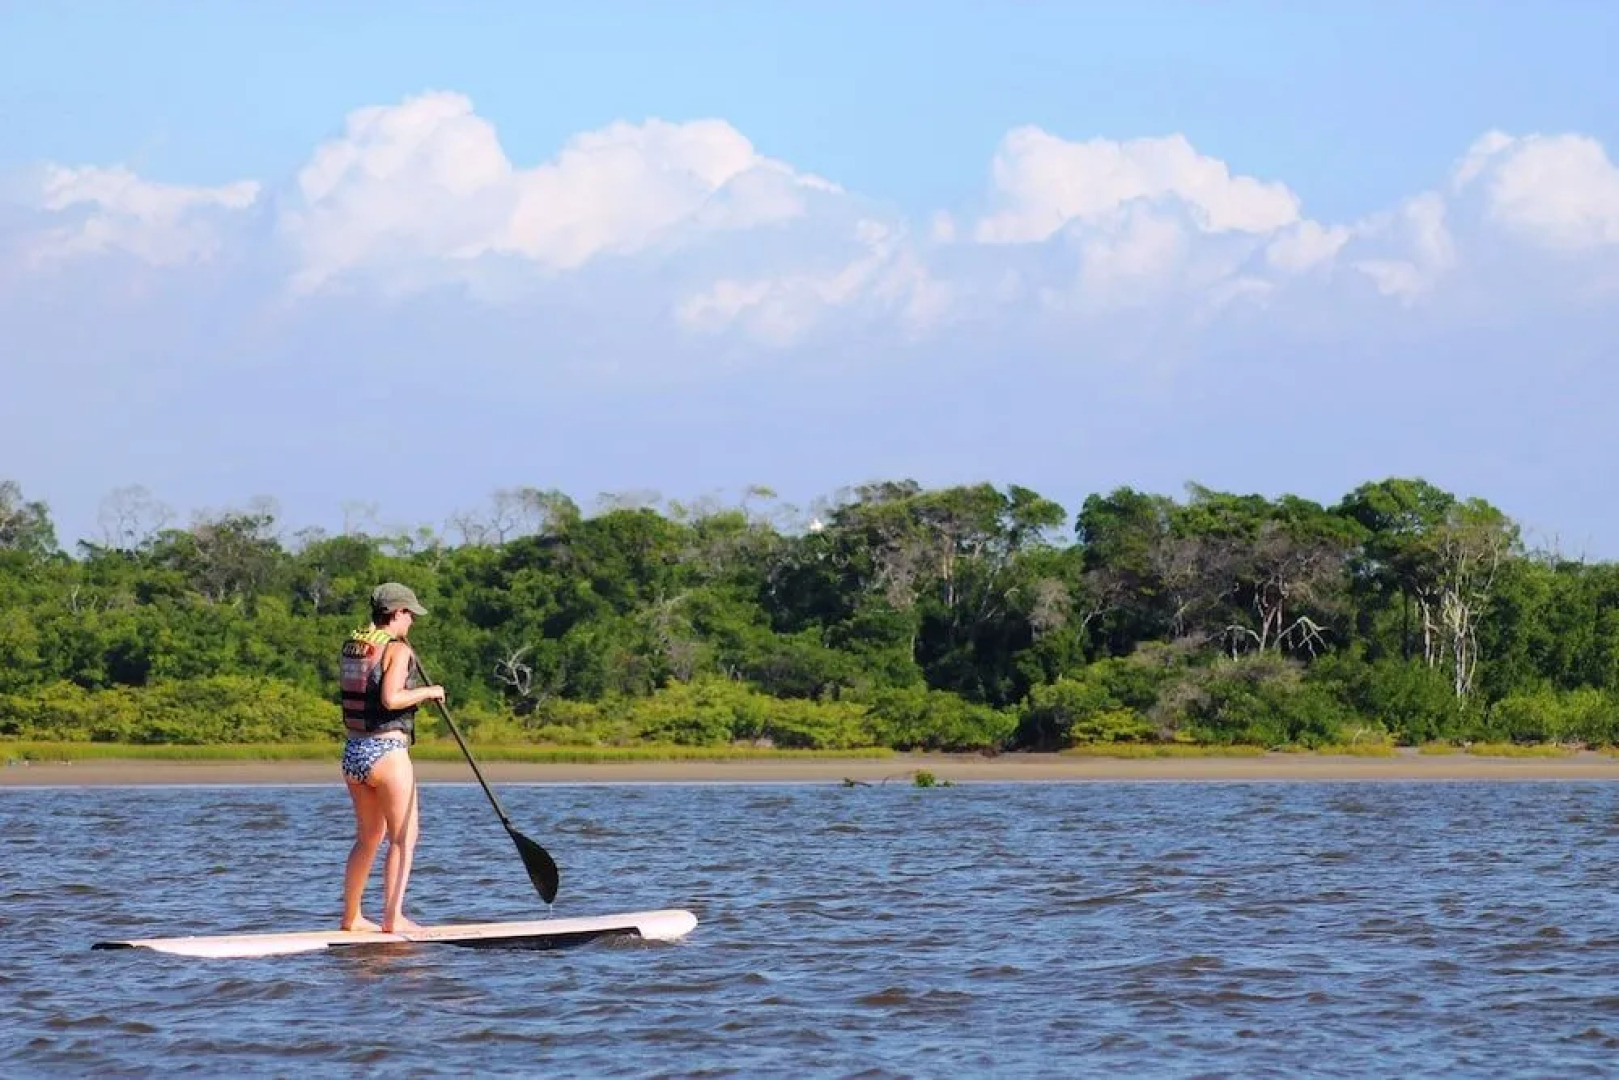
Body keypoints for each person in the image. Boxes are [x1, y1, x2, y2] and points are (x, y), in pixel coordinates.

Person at [337, 581, 445, 933]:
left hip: (353, 753)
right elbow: (391, 699)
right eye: (410, 614)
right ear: (398, 612)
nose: (412, 621)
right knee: (403, 837)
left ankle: (351, 917)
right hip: (386, 752)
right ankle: (392, 917)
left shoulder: (355, 644)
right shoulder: (397, 650)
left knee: (368, 837)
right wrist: (429, 692)